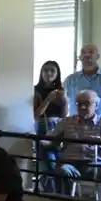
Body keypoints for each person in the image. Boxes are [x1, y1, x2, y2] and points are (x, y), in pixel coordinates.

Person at [54, 89, 101, 197]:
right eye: (79, 104)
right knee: (62, 171)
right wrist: (37, 138)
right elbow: (51, 141)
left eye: (87, 103)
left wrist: (100, 147)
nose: (82, 107)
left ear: (96, 105)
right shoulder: (66, 122)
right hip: (71, 164)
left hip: (97, 166)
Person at [33, 60, 66, 191]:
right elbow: (36, 114)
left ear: (57, 74)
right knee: (47, 162)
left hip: (59, 127)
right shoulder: (36, 90)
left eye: (52, 71)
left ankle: (60, 193)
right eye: (45, 70)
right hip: (43, 126)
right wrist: (48, 99)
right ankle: (48, 192)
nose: (48, 73)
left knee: (59, 162)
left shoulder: (60, 90)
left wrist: (64, 101)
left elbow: (64, 115)